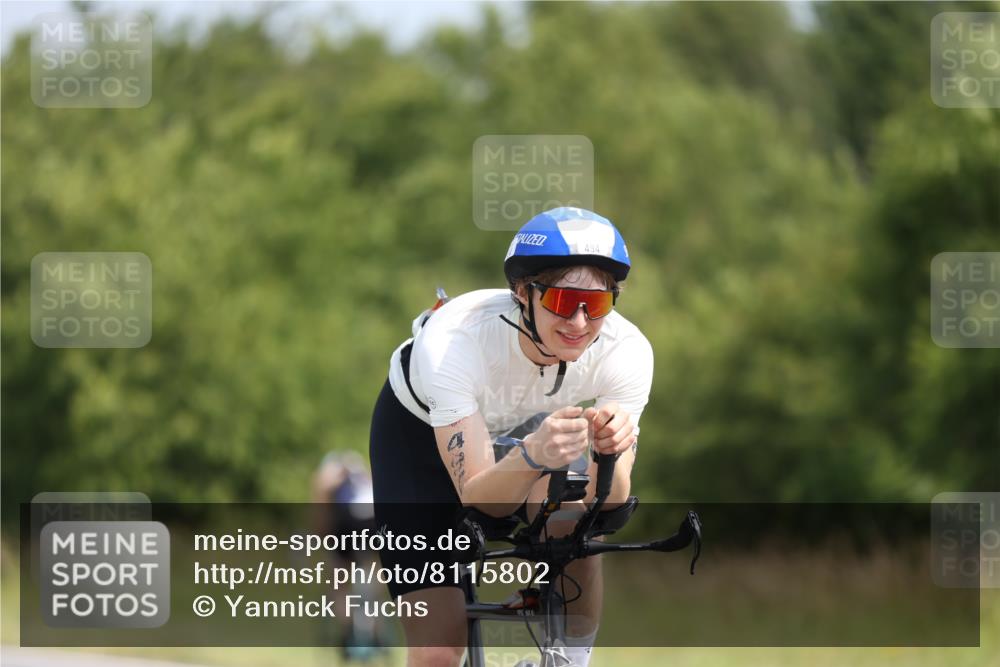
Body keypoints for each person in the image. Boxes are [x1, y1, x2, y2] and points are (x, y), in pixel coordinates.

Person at [369, 207, 653, 667]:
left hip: (520, 430)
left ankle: (568, 661)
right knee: (437, 652)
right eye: (563, 301)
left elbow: (612, 501)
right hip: (419, 439)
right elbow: (481, 498)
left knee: (575, 517)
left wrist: (609, 454)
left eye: (596, 305)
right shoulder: (453, 342)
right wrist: (536, 452)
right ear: (524, 293)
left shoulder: (627, 351)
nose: (580, 323)